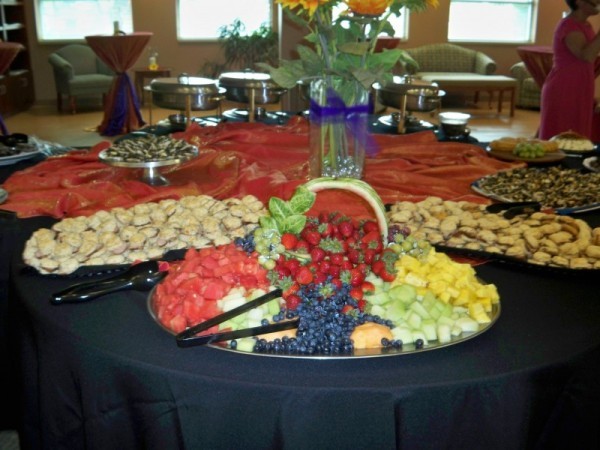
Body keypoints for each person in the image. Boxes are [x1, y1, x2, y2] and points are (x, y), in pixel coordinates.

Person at [539, 0, 600, 140]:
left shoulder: (586, 25)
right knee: (561, 134)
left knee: (578, 134)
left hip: (582, 84)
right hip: (565, 86)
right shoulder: (568, 26)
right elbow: (586, 55)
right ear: (579, 2)